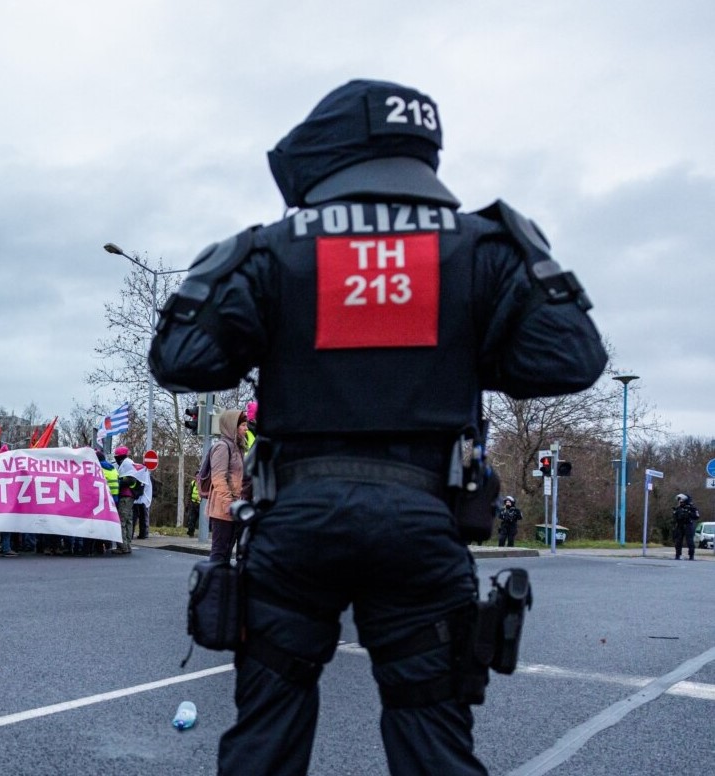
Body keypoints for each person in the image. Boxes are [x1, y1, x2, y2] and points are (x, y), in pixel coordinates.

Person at [149, 79, 607, 776]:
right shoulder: (482, 247)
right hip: (423, 520)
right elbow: (573, 358)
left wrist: (233, 279)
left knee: (265, 740)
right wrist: (470, 340)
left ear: (325, 152)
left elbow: (180, 359)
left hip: (297, 523)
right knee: (434, 742)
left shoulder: (275, 250)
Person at [200, 409, 246, 563]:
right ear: (232, 426)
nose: (246, 429)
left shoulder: (238, 447)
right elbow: (218, 478)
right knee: (219, 554)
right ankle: (213, 584)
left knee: (226, 554)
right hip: (223, 510)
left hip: (235, 509)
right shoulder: (222, 446)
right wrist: (229, 504)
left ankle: (222, 584)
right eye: (243, 425)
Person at [113, 446, 139, 554]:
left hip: (125, 496)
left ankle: (122, 546)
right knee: (128, 521)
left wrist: (118, 481)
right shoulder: (129, 463)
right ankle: (127, 545)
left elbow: (129, 479)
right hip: (130, 497)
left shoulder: (126, 464)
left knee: (121, 521)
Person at [673, 493, 699, 560]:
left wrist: (689, 513)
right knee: (678, 541)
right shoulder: (678, 508)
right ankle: (677, 555)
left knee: (690, 541)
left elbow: (696, 516)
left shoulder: (691, 508)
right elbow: (675, 518)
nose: (680, 501)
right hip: (680, 526)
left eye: (681, 500)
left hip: (688, 525)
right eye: (679, 500)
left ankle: (691, 555)